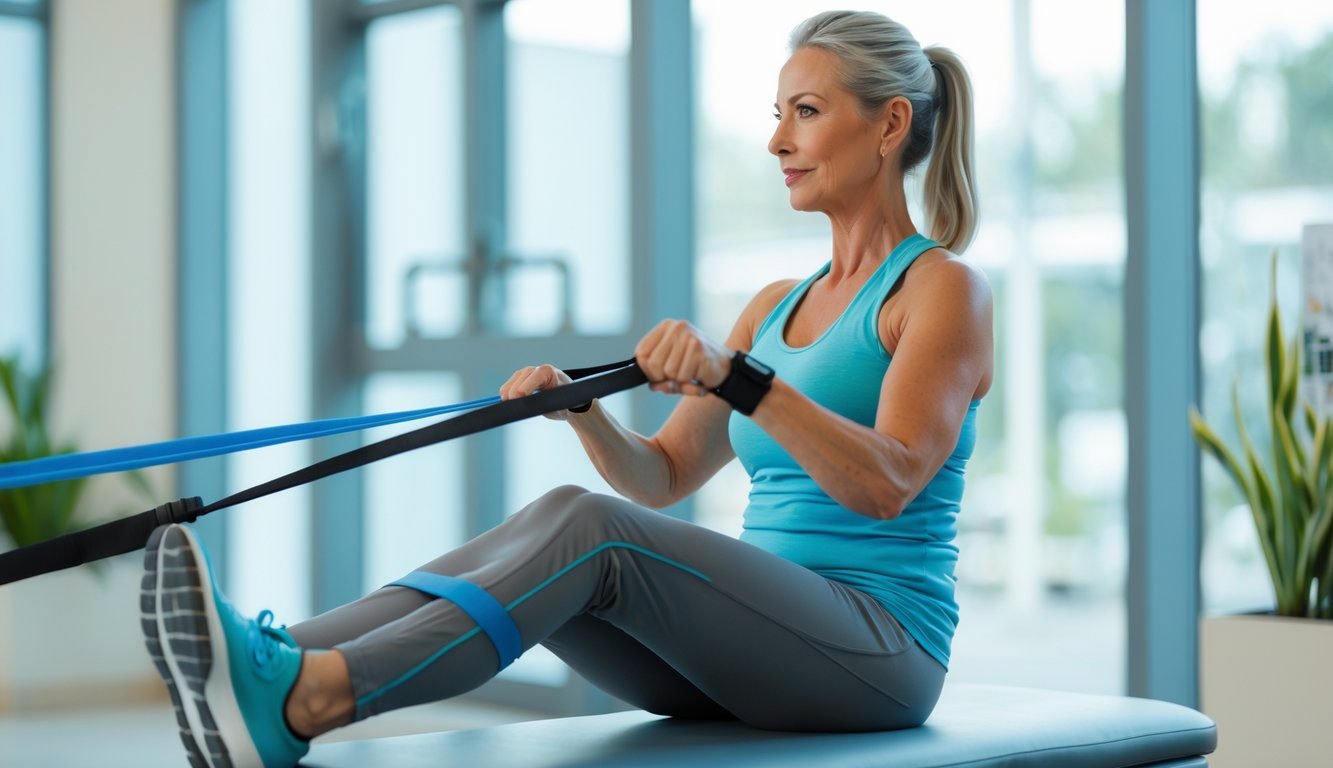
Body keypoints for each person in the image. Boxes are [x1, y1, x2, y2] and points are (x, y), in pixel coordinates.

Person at [141, 10, 992, 768]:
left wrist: (740, 380)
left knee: (591, 528)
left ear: (889, 124)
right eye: (777, 115)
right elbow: (663, 474)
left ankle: (312, 697)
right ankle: (271, 658)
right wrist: (586, 414)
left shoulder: (940, 290)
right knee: (561, 510)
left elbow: (889, 481)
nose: (776, 142)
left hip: (879, 654)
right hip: (768, 646)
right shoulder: (775, 305)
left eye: (804, 112)